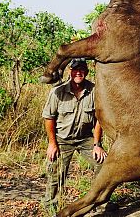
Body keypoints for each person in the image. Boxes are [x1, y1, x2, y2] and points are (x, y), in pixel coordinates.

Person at [42, 58, 107, 210]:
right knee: (56, 172)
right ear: (70, 71)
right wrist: (52, 144)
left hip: (85, 138)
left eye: (82, 70)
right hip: (62, 139)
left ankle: (99, 202)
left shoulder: (95, 91)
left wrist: (97, 144)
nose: (79, 73)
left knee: (103, 164)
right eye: (76, 69)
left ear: (86, 72)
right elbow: (49, 118)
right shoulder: (57, 91)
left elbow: (99, 119)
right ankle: (51, 205)